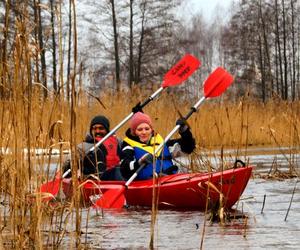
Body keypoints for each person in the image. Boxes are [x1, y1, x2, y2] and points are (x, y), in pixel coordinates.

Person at [120, 112, 195, 180]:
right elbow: (124, 169)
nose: (144, 132)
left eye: (147, 129)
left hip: (169, 178)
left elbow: (188, 148)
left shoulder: (161, 142)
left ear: (151, 130)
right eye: (140, 130)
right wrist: (140, 162)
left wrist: (185, 132)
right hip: (146, 184)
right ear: (134, 132)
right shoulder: (128, 146)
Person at [63, 115, 123, 180]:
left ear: (107, 130)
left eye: (101, 128)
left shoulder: (119, 142)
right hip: (93, 181)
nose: (97, 131)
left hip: (116, 179)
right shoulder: (83, 147)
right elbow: (66, 169)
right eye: (94, 128)